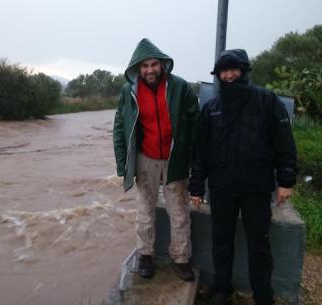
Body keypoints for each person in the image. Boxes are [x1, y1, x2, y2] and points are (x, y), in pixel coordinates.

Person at [189, 49, 298, 305]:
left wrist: (286, 181)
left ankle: (263, 297)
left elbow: (285, 143)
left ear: (244, 71)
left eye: (233, 69)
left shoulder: (267, 100)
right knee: (221, 242)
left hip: (257, 188)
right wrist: (196, 187)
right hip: (221, 188)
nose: (228, 76)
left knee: (259, 246)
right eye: (223, 71)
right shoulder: (211, 108)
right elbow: (200, 153)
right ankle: (221, 290)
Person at [113, 38, 198, 281]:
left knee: (179, 211)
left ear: (162, 65)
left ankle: (181, 258)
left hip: (175, 158)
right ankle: (145, 256)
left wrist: (191, 156)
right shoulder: (128, 91)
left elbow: (195, 122)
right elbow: (120, 126)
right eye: (144, 66)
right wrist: (123, 163)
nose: (149, 70)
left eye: (153, 65)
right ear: (137, 69)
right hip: (145, 157)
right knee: (144, 210)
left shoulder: (180, 87)